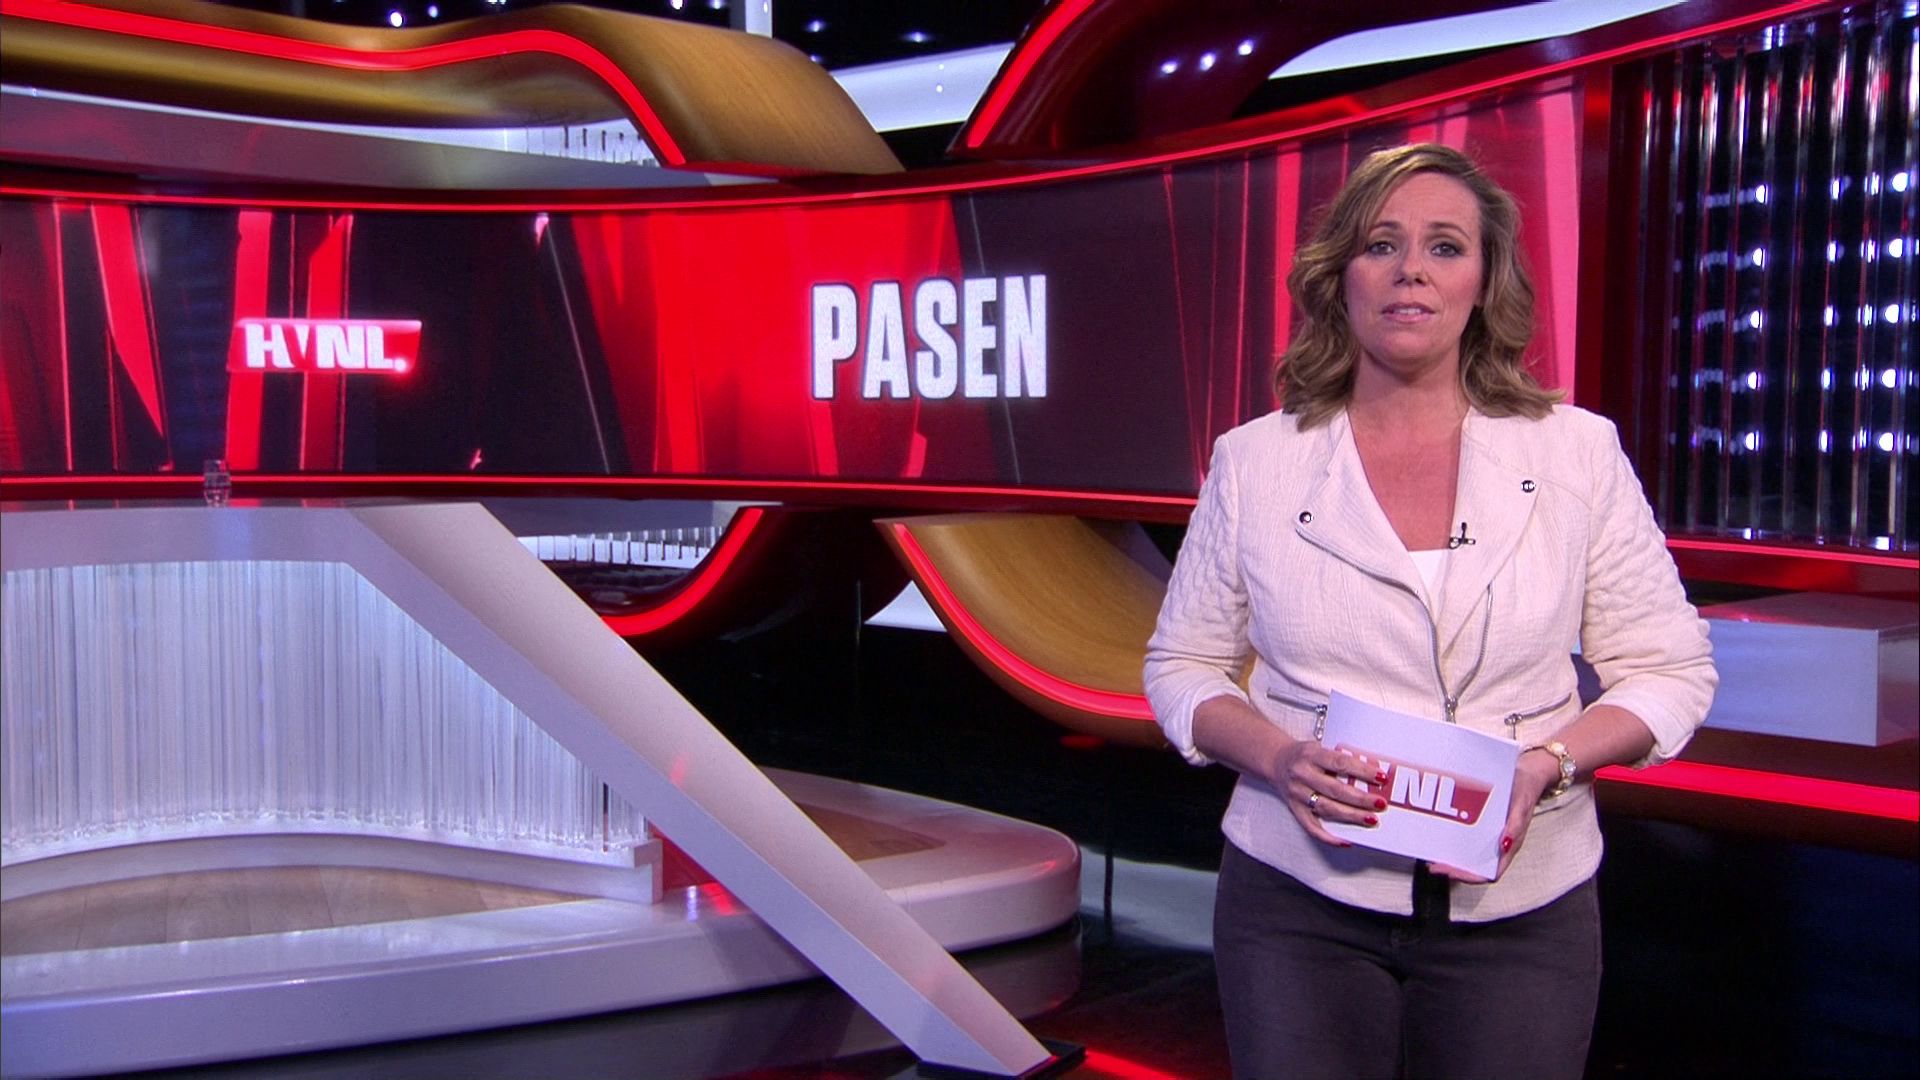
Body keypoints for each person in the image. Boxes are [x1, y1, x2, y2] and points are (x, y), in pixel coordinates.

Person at [1143, 143, 1717, 1080]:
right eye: (1383, 244)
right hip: (1296, 901)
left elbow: (1670, 669)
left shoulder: (1575, 453)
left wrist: (1546, 766)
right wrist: (1280, 759)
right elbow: (1182, 666)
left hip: (1522, 910)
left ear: (1484, 282)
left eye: (1445, 246)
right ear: (1341, 276)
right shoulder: (1256, 461)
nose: (1411, 269)